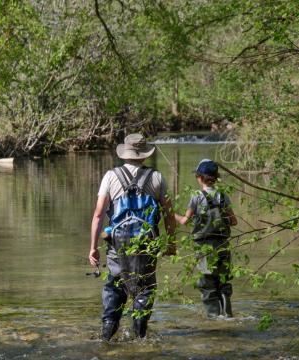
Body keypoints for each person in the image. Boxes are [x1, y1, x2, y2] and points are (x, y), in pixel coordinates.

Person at [89, 133, 176, 341]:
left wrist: (93, 247)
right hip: (146, 241)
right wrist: (171, 243)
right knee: (144, 287)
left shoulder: (111, 176)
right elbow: (169, 215)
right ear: (144, 156)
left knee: (115, 284)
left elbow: (99, 214)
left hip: (116, 241)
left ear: (125, 154)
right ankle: (140, 336)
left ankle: (107, 337)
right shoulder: (156, 177)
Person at [174, 159, 237, 318]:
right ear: (216, 178)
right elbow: (234, 221)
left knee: (208, 284)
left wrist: (169, 214)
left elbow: (184, 221)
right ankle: (227, 313)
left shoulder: (196, 196)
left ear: (200, 178)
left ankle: (214, 318)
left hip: (204, 248)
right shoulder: (223, 195)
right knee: (223, 280)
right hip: (223, 244)